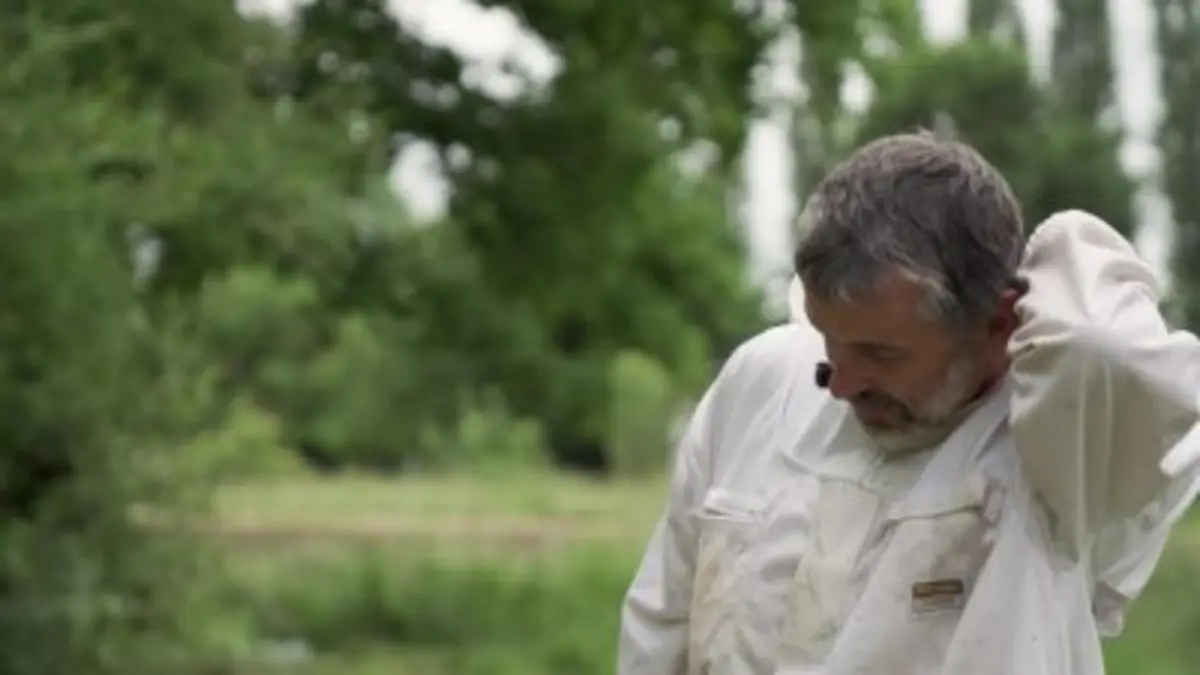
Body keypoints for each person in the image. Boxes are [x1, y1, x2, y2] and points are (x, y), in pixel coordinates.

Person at [617, 132, 1200, 675]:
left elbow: (1105, 346)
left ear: (997, 321)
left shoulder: (1062, 442)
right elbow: (658, 628)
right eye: (826, 335)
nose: (839, 382)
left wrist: (1054, 250)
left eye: (879, 353)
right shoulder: (760, 379)